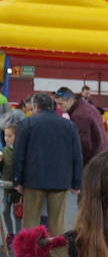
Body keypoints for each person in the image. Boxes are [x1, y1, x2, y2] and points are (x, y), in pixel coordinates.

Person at [12, 92, 82, 235]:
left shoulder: (27, 123)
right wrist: (76, 182)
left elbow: (18, 154)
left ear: (36, 106)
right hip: (60, 181)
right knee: (57, 224)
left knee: (30, 223)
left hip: (33, 180)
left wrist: (16, 180)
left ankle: (29, 255)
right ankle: (55, 255)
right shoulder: (69, 126)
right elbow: (77, 156)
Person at [54, 86, 107, 165]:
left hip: (91, 163)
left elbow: (83, 145)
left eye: (61, 103)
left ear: (70, 100)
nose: (58, 107)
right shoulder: (88, 107)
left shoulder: (79, 115)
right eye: (57, 104)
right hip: (100, 156)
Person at [0, 124, 22, 247]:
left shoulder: (21, 151)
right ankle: (10, 234)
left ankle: (18, 236)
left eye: (9, 136)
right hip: (7, 188)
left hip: (18, 189)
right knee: (5, 211)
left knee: (18, 213)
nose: (6, 138)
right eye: (5, 135)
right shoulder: (4, 151)